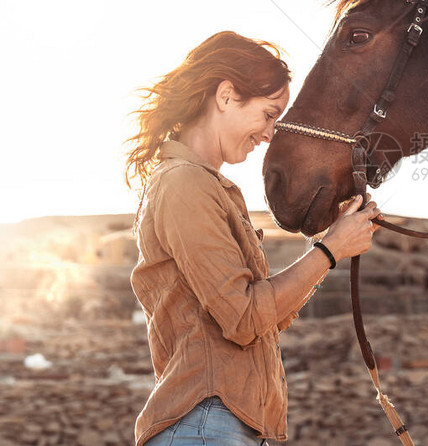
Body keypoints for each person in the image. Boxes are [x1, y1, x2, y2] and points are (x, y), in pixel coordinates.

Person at [125, 31, 381, 446]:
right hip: (205, 426)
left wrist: (332, 238)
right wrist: (331, 250)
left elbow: (266, 319)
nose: (269, 134)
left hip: (224, 427)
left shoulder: (209, 187)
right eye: (269, 114)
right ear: (226, 96)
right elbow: (245, 318)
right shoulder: (184, 185)